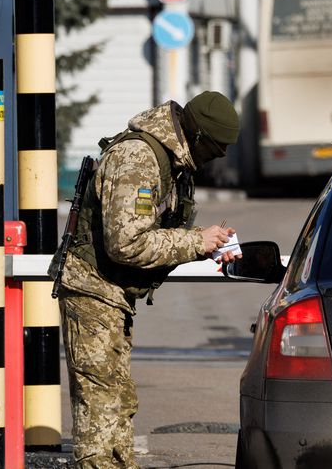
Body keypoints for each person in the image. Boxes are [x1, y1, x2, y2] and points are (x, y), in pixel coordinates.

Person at [50, 91, 240, 467]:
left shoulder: (167, 159)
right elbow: (126, 243)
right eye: (215, 151)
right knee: (100, 410)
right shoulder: (137, 158)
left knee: (117, 400)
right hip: (92, 289)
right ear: (198, 138)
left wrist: (206, 243)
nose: (213, 160)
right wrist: (194, 242)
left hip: (111, 294)